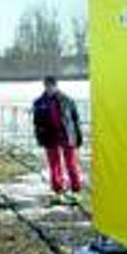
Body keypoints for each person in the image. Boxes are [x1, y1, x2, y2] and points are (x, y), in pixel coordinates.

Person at [32, 76, 84, 204]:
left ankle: (76, 190)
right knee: (54, 165)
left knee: (71, 164)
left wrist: (78, 136)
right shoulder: (39, 102)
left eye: (51, 86)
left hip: (67, 135)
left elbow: (75, 119)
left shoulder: (67, 100)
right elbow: (36, 123)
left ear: (56, 86)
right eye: (47, 86)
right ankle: (58, 190)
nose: (49, 88)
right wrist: (40, 137)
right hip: (50, 137)